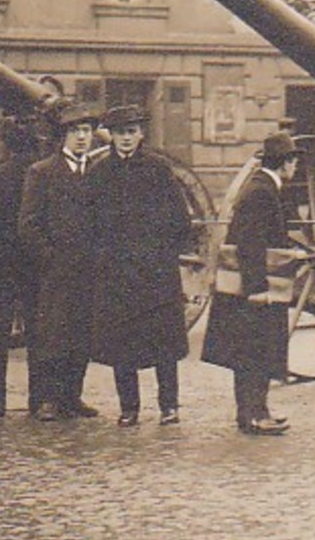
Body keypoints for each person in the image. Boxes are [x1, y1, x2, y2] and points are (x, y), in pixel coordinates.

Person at [88, 104, 193, 427]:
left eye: (131, 132)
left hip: (156, 272)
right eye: (120, 133)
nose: (125, 139)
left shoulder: (158, 169)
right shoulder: (100, 173)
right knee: (123, 344)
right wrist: (103, 257)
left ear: (141, 134)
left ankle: (169, 406)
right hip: (117, 273)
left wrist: (163, 254)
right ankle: (129, 407)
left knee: (164, 343)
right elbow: (90, 223)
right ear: (111, 136)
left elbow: (180, 218)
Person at [201, 132, 300, 435]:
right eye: (293, 162)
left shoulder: (263, 187)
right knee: (254, 353)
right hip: (254, 289)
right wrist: (257, 289)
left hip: (252, 285)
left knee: (254, 352)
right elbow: (250, 244)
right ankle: (253, 416)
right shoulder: (262, 192)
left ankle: (257, 411)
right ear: (287, 163)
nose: (294, 169)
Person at [18, 102, 102, 421]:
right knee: (50, 334)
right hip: (53, 270)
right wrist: (50, 258)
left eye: (86, 131)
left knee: (80, 333)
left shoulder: (95, 172)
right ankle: (45, 399)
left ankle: (71, 396)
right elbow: (28, 223)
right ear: (62, 136)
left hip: (87, 268)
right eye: (75, 131)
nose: (82, 137)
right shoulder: (42, 172)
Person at [0, 114, 43, 418]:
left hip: (1, 265)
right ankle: (39, 400)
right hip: (34, 264)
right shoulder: (42, 173)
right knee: (38, 335)